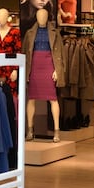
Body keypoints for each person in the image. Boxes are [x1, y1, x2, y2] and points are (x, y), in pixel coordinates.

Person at [22, 8, 66, 142]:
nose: (42, 18)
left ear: (47, 17)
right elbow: (24, 53)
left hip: (49, 65)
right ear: (36, 17)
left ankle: (57, 131)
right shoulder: (29, 33)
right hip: (34, 66)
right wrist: (25, 71)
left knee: (53, 98)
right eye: (39, 15)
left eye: (44, 16)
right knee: (31, 98)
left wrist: (57, 70)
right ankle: (30, 130)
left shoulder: (55, 33)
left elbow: (61, 54)